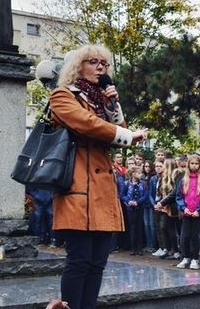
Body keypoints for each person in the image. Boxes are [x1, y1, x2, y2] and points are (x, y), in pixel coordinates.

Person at [49, 45, 148, 309]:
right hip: (77, 187)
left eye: (104, 63)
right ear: (77, 66)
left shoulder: (101, 100)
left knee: (97, 262)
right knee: (79, 259)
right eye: (93, 62)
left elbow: (119, 136)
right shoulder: (62, 96)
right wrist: (126, 134)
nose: (101, 67)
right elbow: (86, 124)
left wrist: (113, 106)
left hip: (103, 191)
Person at [175, 154, 200, 269]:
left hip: (198, 214)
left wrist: (199, 210)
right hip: (186, 212)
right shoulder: (184, 180)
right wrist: (183, 208)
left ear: (199, 165)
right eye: (192, 163)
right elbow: (179, 196)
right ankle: (186, 257)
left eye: (196, 164)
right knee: (184, 236)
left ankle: (195, 259)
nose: (194, 166)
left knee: (195, 236)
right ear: (188, 164)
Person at [123, 166, 148, 255]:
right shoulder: (127, 183)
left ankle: (139, 247)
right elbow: (122, 194)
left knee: (139, 227)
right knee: (132, 227)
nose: (140, 175)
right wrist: (128, 201)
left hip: (139, 207)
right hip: (130, 208)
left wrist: (138, 202)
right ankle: (133, 248)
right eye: (138, 173)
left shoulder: (143, 183)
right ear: (133, 174)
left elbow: (145, 195)